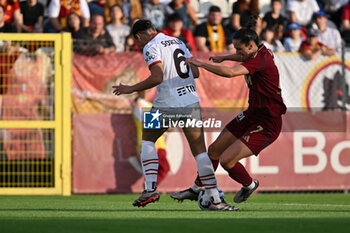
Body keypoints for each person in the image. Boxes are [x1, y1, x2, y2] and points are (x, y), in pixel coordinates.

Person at [112, 19, 237, 211]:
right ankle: (215, 199)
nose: (139, 44)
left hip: (165, 104)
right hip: (191, 102)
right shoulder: (178, 42)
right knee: (200, 152)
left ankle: (150, 189)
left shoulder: (150, 46)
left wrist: (130, 88)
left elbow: (157, 77)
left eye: (137, 41)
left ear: (138, 36)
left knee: (147, 139)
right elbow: (195, 72)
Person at [171, 17, 287, 204]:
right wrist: (225, 57)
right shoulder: (257, 50)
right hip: (252, 114)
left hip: (268, 122)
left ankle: (249, 185)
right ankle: (196, 189)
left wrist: (202, 64)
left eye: (239, 49)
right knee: (214, 150)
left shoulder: (261, 60)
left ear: (250, 45)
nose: (237, 52)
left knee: (227, 161)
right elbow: (242, 57)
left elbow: (231, 73)